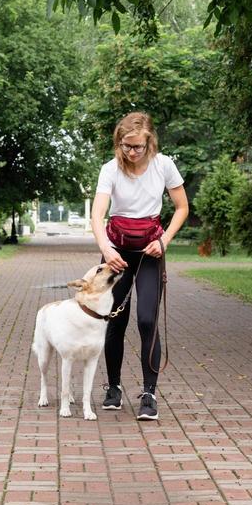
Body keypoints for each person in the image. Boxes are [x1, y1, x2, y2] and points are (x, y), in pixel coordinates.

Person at [91, 112, 189, 420]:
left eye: (138, 147)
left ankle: (149, 393)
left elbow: (182, 207)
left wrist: (165, 241)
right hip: (116, 252)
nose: (131, 152)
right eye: (125, 146)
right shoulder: (110, 169)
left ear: (150, 143)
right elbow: (97, 215)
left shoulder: (164, 165)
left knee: (147, 320)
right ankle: (114, 388)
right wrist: (106, 250)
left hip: (150, 252)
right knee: (114, 320)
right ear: (118, 143)